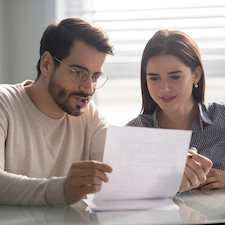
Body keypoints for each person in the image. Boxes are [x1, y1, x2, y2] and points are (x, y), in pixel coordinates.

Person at [0, 18, 114, 205]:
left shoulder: (91, 117)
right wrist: (60, 190)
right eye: (78, 72)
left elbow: (117, 178)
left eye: (95, 76)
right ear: (46, 64)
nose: (89, 88)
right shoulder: (4, 103)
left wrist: (170, 181)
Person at [126, 29, 224, 193]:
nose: (164, 88)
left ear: (196, 75)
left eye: (175, 76)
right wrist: (166, 188)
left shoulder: (222, 116)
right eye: (154, 78)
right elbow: (120, 195)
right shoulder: (134, 133)